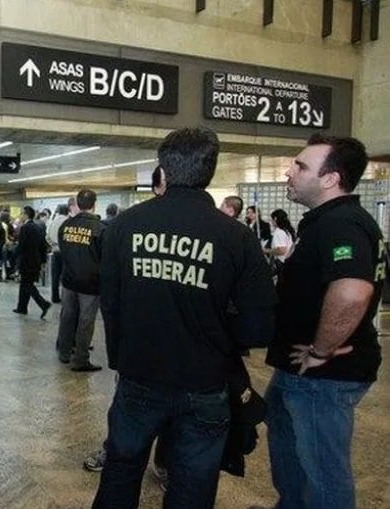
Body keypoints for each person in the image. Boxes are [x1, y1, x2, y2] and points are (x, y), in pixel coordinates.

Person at [94, 126, 276, 509]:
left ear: (163, 170)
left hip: (139, 374)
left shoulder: (124, 227)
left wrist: (119, 359)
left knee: (122, 468)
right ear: (210, 171)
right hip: (206, 382)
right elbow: (258, 326)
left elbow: (110, 303)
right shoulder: (236, 237)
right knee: (193, 483)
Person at [265, 134, 386, 509]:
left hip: (324, 376)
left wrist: (322, 349)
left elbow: (352, 291)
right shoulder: (325, 222)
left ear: (331, 179)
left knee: (324, 472)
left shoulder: (341, 223)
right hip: (300, 371)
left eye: (301, 166)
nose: (289, 172)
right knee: (290, 445)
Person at [55, 189, 105, 372]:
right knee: (86, 321)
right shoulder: (100, 229)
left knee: (67, 316)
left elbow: (62, 250)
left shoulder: (66, 226)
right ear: (94, 204)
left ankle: (64, 352)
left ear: (78, 203)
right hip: (90, 284)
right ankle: (81, 359)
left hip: (68, 280)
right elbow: (104, 257)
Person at [13, 206, 51, 319]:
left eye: (21, 214)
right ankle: (22, 307)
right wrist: (43, 261)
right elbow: (43, 245)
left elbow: (21, 246)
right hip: (36, 261)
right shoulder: (38, 227)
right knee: (25, 284)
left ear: (25, 214)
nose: (20, 216)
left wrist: (14, 257)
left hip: (27, 261)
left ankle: (43, 304)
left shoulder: (25, 228)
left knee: (27, 285)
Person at [46, 201, 73, 303]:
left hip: (55, 251)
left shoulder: (52, 221)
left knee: (55, 276)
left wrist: (53, 244)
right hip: (65, 252)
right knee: (65, 275)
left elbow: (47, 236)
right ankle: (66, 297)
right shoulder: (69, 222)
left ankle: (55, 296)